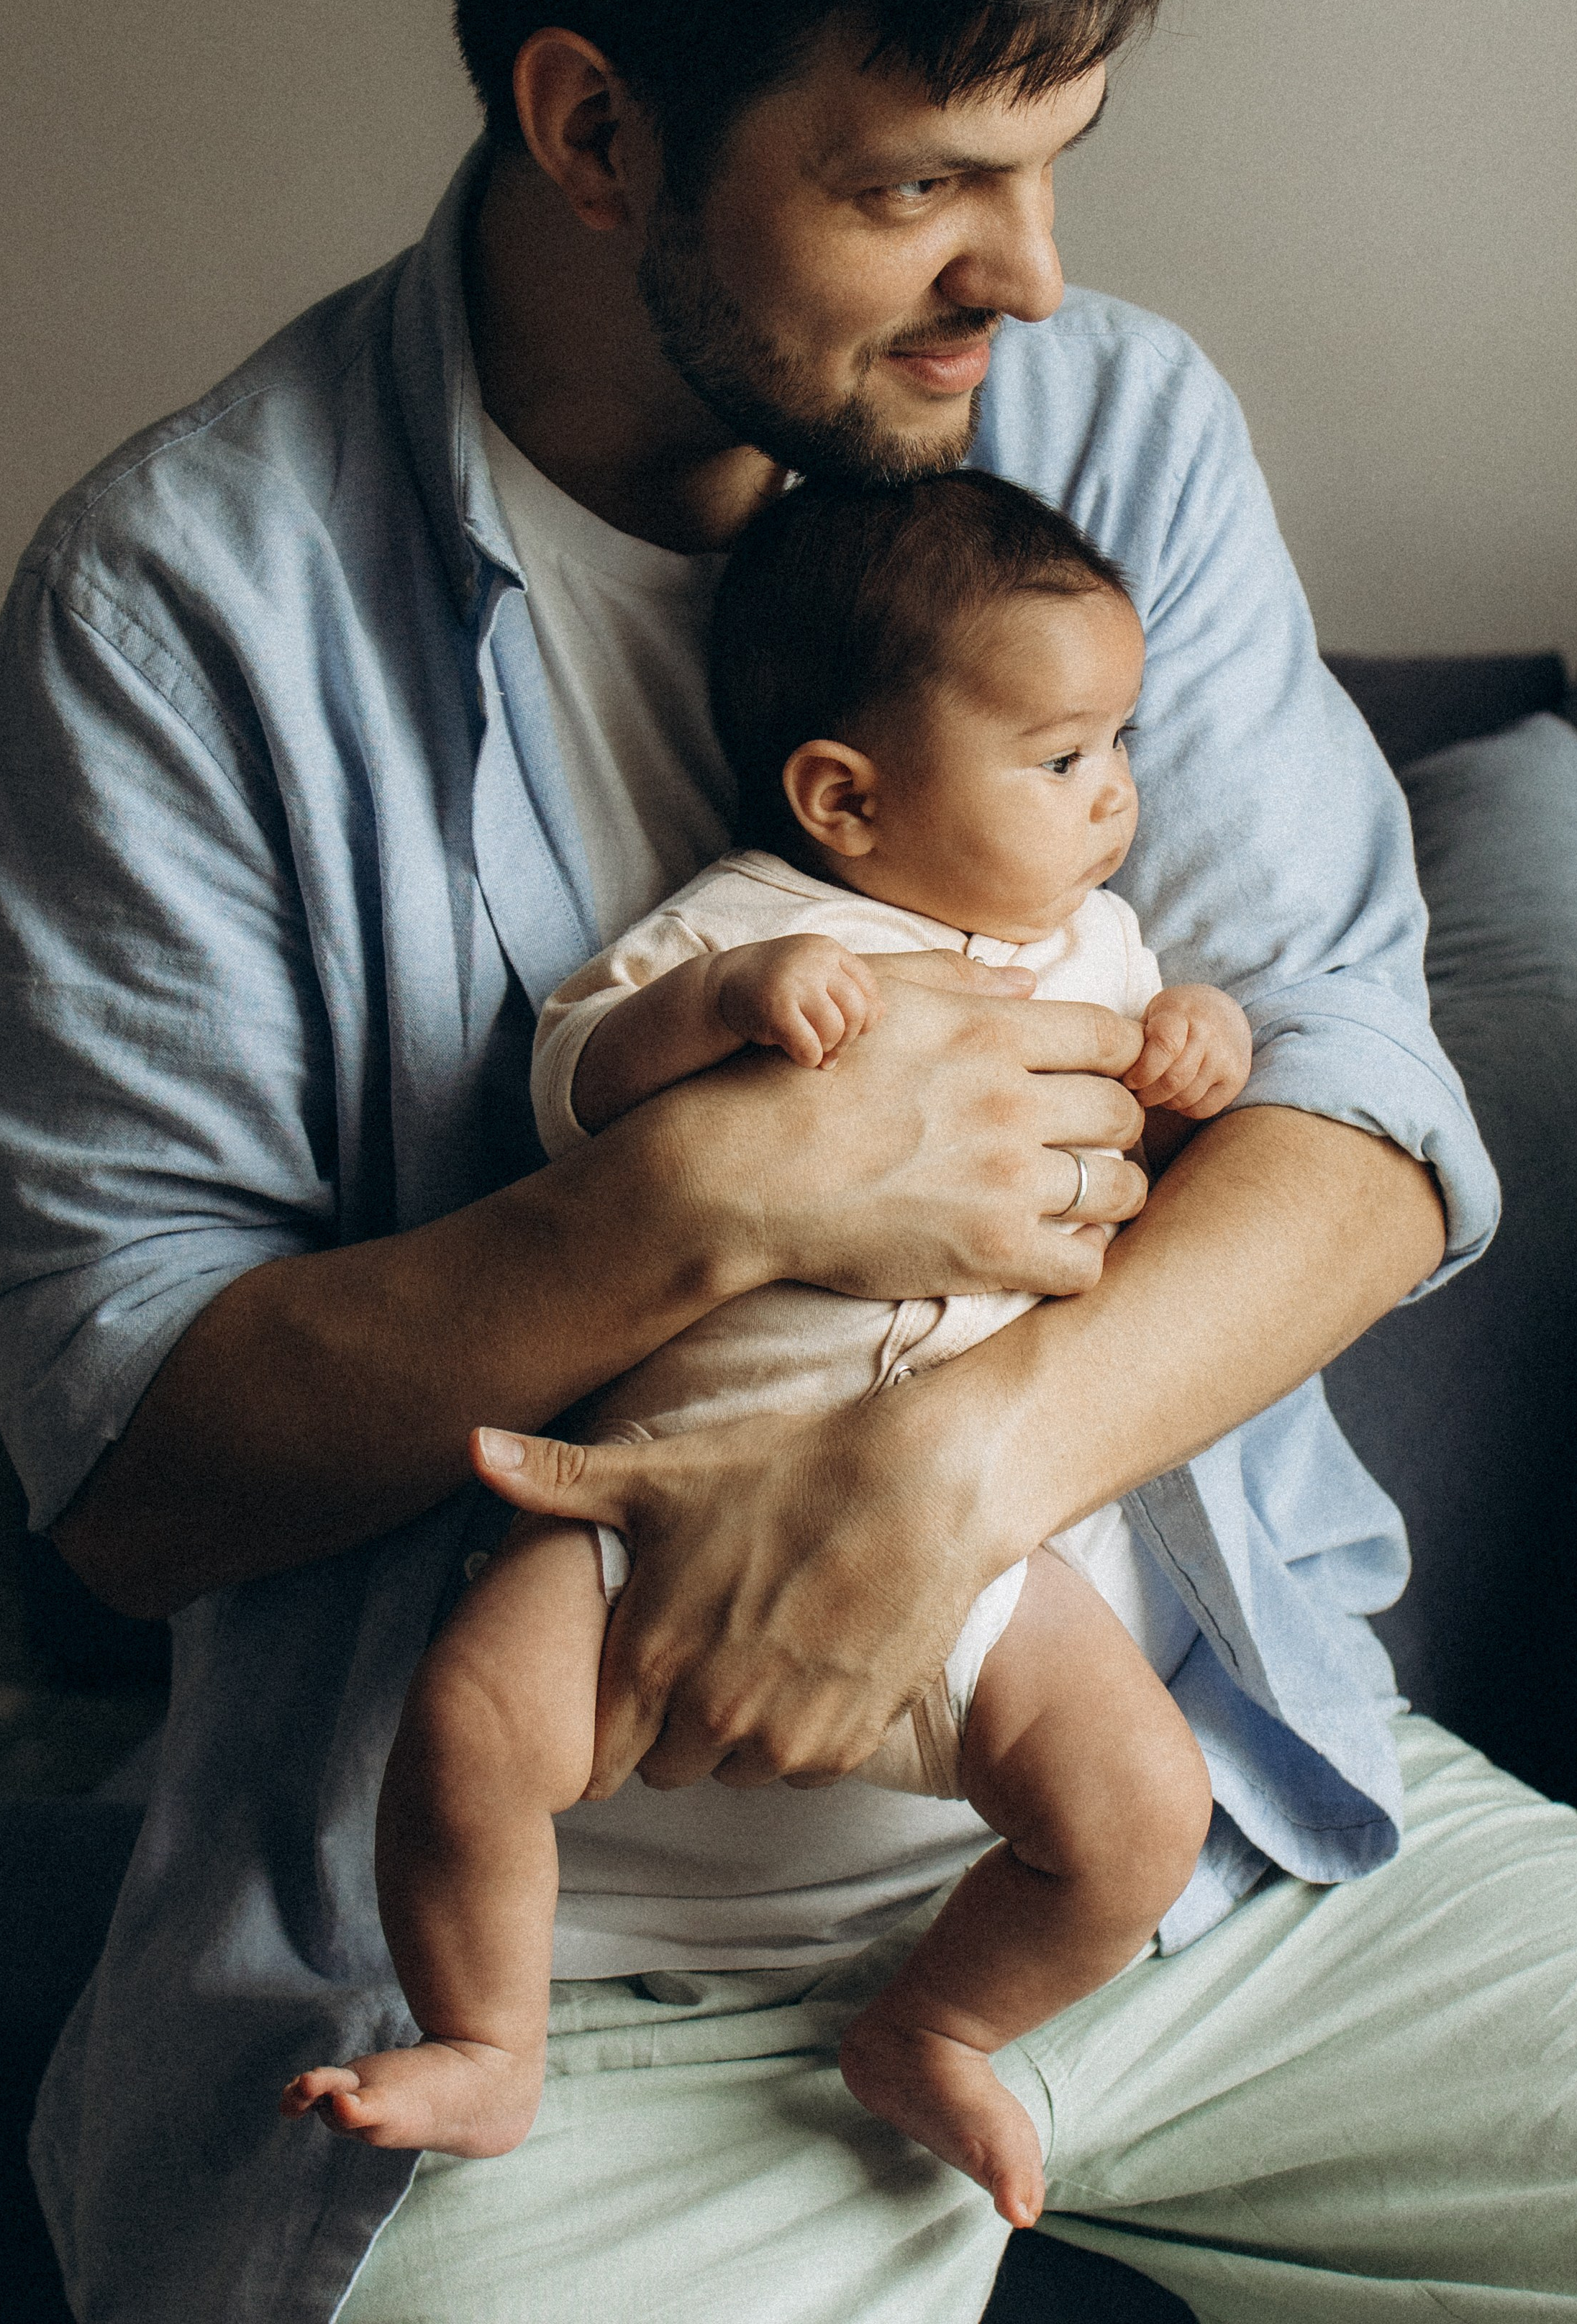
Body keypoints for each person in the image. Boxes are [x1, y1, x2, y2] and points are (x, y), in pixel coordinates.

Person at [0, 0, 1577, 2318]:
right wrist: (702, 1195)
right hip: (557, 1965)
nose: (1021, 282)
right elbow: (126, 1457)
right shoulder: (176, 614)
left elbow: (1363, 1119)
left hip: (1206, 1840)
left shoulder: (1107, 433)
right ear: (594, 128)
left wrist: (965, 1468)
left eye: (1054, 163)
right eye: (918, 185)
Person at [281, 475, 1250, 2216]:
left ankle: (937, 2031)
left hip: (978, 1538)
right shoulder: (755, 925)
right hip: (657, 1502)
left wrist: (1193, 1041)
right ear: (843, 799)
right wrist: (720, 1010)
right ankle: (491, 2042)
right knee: (472, 1725)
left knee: (1138, 1817)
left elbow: (1139, 1183)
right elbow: (573, 1080)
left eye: (1121, 742)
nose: (1115, 796)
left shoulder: (1100, 947)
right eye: (1059, 757)